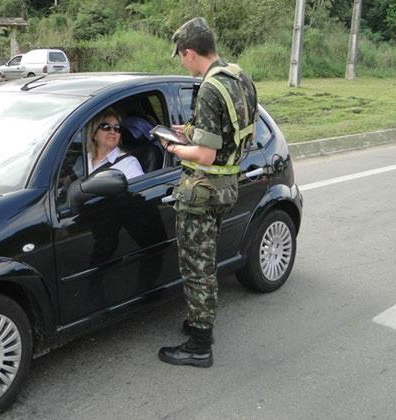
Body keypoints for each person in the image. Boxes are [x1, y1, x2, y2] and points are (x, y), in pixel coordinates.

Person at [157, 17, 258, 368]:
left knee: (196, 268)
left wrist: (173, 148)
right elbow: (228, 131)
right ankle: (199, 321)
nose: (182, 62)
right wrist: (187, 130)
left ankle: (200, 345)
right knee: (206, 260)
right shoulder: (236, 76)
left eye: (180, 56)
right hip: (227, 184)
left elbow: (204, 154)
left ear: (189, 52)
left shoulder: (210, 88)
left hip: (203, 188)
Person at [86, 108, 144, 180]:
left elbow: (138, 190)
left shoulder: (129, 164)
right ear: (94, 134)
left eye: (117, 128)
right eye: (106, 127)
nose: (112, 132)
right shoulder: (84, 159)